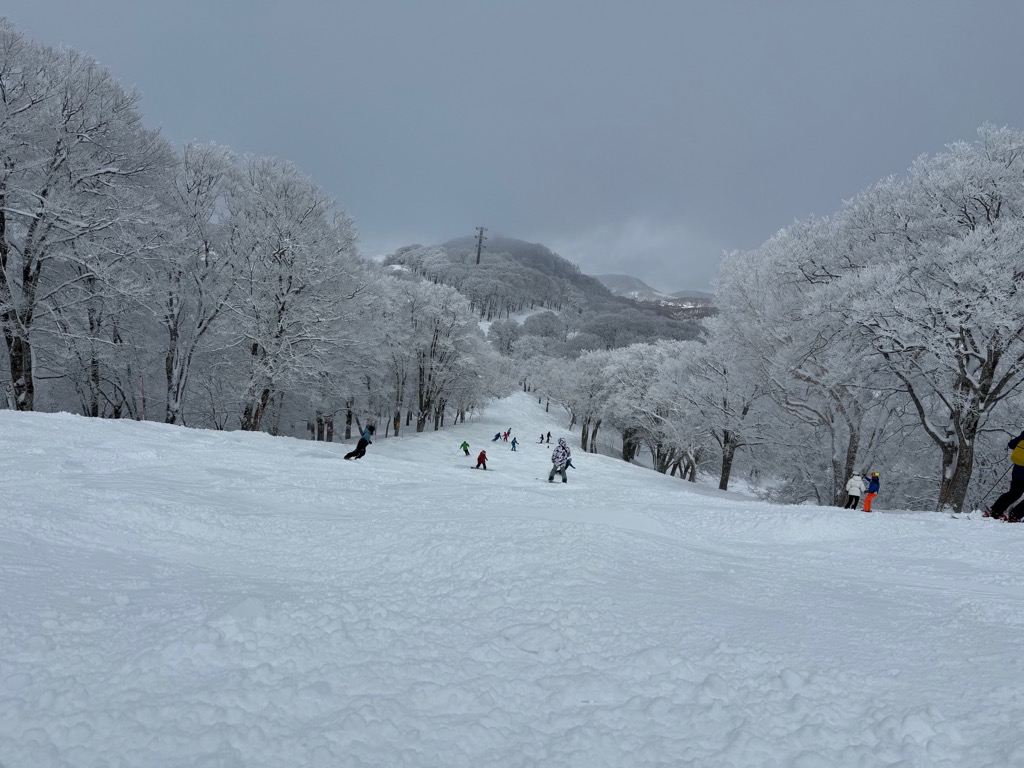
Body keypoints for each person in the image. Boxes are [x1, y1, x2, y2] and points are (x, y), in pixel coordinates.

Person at [985, 430, 1024, 520]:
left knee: (1014, 493)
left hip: (1018, 471)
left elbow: (1011, 444)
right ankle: (1015, 515)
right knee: (1015, 493)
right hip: (1020, 471)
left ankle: (995, 511)